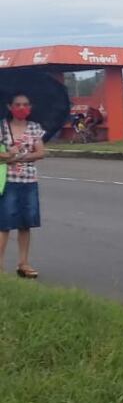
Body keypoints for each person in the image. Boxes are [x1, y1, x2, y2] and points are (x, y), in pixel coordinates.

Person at [0, 94, 46, 278]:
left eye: (26, 104)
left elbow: (40, 152)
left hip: (28, 181)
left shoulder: (34, 127)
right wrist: (7, 155)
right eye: (17, 104)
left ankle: (23, 263)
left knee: (25, 224)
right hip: (8, 181)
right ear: (9, 106)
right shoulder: (2, 127)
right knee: (4, 225)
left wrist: (19, 157)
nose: (22, 108)